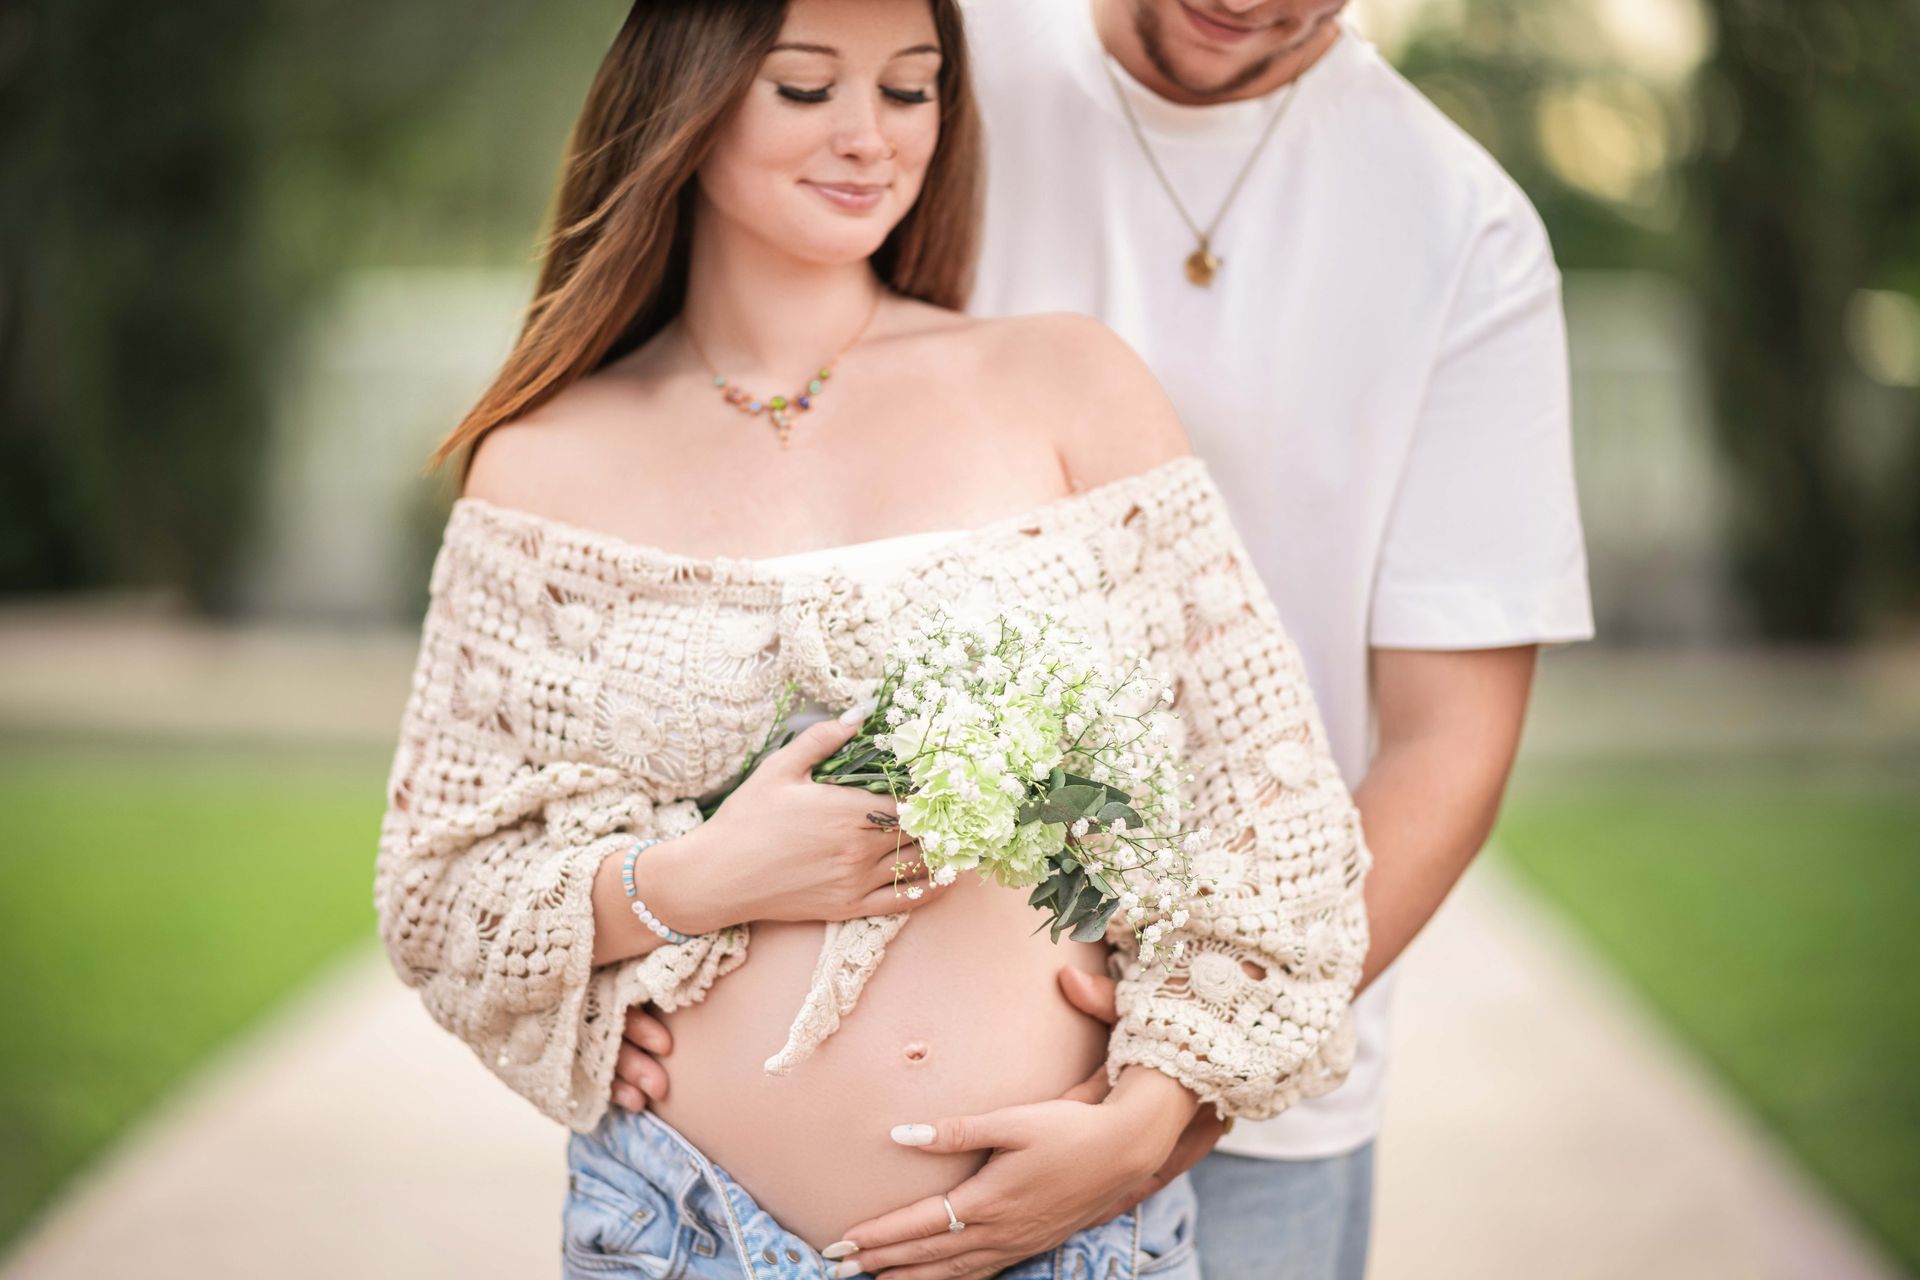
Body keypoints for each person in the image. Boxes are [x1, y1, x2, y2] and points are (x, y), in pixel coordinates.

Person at [372, 1, 1372, 1277]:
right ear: (687, 97)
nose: (869, 137)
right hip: (679, 1231)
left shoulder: (1065, 383)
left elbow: (1269, 811)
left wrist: (1154, 1113)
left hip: (1073, 1241)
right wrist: (684, 882)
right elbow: (440, 888)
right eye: (804, 88)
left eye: (910, 90)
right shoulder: (541, 462)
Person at [613, 0, 1595, 1276]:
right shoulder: (925, 67)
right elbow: (708, 446)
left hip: (1250, 1135)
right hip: (749, 1153)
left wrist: (1184, 1090)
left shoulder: (1463, 233)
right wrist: (623, 924)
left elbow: (1445, 745)